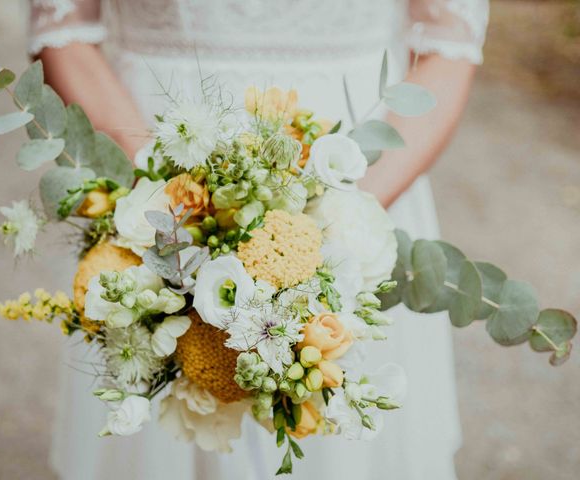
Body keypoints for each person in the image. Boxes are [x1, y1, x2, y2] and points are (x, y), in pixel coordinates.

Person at [28, 1, 489, 479]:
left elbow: (448, 43)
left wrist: (338, 218)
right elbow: (65, 27)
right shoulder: (161, 197)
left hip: (363, 171)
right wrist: (168, 201)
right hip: (153, 167)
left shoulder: (353, 205)